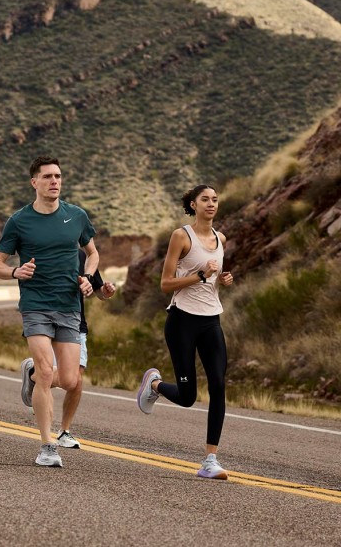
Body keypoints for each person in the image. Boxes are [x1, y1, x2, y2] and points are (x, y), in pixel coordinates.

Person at [0, 155, 99, 468]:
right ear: (34, 182)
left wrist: (88, 279)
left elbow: (92, 254)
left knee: (68, 379)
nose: (55, 182)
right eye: (48, 177)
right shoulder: (19, 221)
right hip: (36, 304)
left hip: (69, 305)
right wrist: (15, 272)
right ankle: (47, 445)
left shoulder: (77, 216)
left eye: (58, 176)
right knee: (48, 372)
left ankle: (32, 374)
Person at [136, 184, 235, 479]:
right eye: (205, 199)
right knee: (188, 396)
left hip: (211, 320)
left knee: (218, 386)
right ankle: (154, 385)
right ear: (192, 204)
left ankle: (210, 460)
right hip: (182, 321)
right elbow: (166, 284)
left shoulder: (221, 238)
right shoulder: (182, 236)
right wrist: (200, 275)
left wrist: (222, 279)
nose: (211, 204)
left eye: (215, 199)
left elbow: (211, 283)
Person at [21, 250, 116, 450]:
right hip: (44, 320)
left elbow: (98, 291)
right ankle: (50, 437)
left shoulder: (83, 256)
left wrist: (106, 291)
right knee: (50, 375)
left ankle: (63, 429)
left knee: (74, 380)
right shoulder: (41, 250)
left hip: (74, 322)